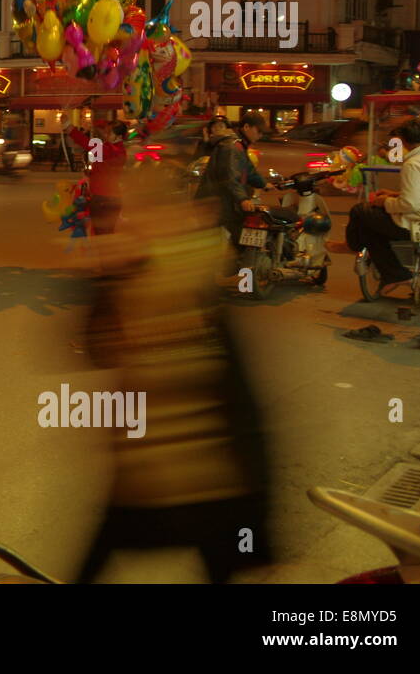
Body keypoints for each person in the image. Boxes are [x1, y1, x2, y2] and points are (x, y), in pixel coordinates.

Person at [77, 162, 274, 583]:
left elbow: (96, 348)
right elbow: (95, 348)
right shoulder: (165, 260)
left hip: (181, 471)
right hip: (188, 473)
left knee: (100, 559)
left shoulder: (167, 262)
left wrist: (112, 277)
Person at [346, 116, 420, 296]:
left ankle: (354, 247)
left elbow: (410, 204)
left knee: (360, 212)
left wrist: (384, 201)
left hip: (418, 223)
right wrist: (395, 194)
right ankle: (392, 273)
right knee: (371, 225)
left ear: (404, 140)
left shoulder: (414, 163)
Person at [202, 114, 266, 236]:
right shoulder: (232, 146)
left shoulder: (239, 144)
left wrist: (263, 183)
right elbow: (230, 176)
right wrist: (243, 199)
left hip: (225, 200)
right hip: (220, 201)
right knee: (237, 237)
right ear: (247, 127)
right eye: (259, 131)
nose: (260, 135)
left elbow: (248, 169)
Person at [67, 119, 128, 234]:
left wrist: (70, 129)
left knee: (102, 234)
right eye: (106, 132)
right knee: (103, 234)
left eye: (109, 133)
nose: (106, 135)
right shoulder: (112, 148)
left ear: (119, 136)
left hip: (104, 199)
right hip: (107, 197)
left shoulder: (112, 150)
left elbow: (88, 144)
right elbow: (103, 167)